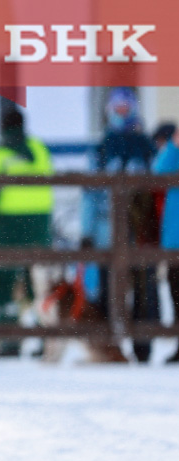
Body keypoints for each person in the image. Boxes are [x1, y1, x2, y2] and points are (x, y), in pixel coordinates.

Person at [81, 88, 158, 362]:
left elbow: (157, 187)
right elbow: (89, 193)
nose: (121, 114)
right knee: (106, 286)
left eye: (126, 108)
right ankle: (108, 344)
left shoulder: (145, 146)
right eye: (117, 108)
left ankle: (143, 344)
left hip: (139, 229)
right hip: (106, 229)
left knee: (143, 286)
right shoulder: (102, 147)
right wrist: (86, 231)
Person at [0, 110, 54, 331]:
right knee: (35, 277)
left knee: (2, 276)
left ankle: (6, 332)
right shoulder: (39, 149)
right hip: (38, 223)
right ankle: (41, 328)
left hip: (8, 223)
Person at [153, 126, 179, 363]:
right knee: (176, 291)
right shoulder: (173, 154)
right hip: (175, 236)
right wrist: (174, 146)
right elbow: (158, 172)